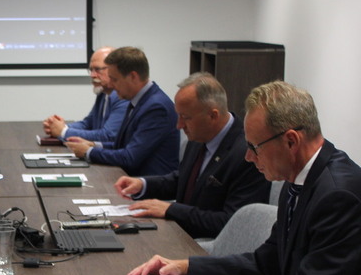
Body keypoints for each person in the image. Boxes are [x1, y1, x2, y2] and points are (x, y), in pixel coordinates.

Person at [128, 81, 361, 275]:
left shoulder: (339, 196)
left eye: (254, 147)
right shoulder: (297, 177)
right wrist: (186, 265)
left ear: (291, 141)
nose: (248, 157)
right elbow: (265, 262)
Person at [113, 72, 270, 238]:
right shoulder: (198, 137)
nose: (179, 125)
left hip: (207, 246)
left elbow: (231, 223)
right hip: (180, 233)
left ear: (213, 116)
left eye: (185, 118)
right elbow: (183, 180)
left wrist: (171, 210)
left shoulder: (247, 155)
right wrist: (143, 184)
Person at [65, 47, 178, 177]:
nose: (111, 85)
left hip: (149, 187)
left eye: (115, 79)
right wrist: (93, 144)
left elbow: (129, 157)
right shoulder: (138, 100)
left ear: (133, 76)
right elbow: (125, 146)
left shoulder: (156, 107)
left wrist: (89, 152)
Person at [42, 46, 128, 142]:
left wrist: (63, 131)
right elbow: (88, 124)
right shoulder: (103, 93)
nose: (92, 75)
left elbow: (108, 136)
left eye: (97, 69)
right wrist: (58, 126)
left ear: (114, 70)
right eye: (91, 70)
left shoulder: (123, 97)